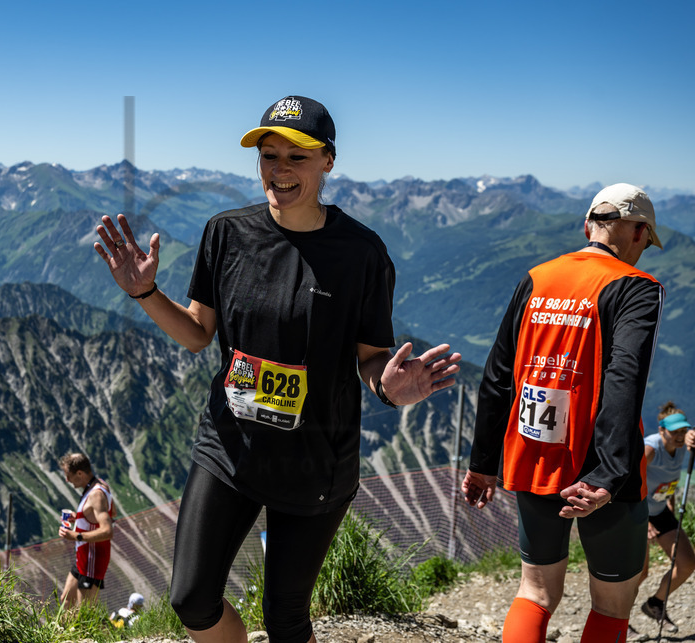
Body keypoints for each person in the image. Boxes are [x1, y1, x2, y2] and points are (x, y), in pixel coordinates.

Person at [93, 95, 461, 643]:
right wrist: (145, 291)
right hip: (230, 445)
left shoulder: (362, 253)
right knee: (191, 598)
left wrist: (388, 383)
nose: (280, 170)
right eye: (269, 155)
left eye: (298, 157)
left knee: (286, 619)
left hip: (315, 459)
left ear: (328, 162)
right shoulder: (226, 233)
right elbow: (198, 334)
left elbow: (370, 357)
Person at [461, 182, 665, 642]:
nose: (643, 252)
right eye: (645, 241)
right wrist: (609, 475)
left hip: (532, 456)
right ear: (636, 232)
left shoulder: (537, 277)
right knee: (613, 602)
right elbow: (623, 381)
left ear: (588, 225)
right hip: (599, 470)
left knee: (534, 592)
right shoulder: (637, 288)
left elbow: (497, 377)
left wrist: (482, 465)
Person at [631, 402, 695, 634]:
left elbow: (668, 480)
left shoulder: (682, 447)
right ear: (661, 430)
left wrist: (671, 503)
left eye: (682, 430)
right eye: (674, 431)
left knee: (687, 563)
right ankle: (617, 616)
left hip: (660, 509)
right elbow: (631, 484)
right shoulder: (651, 449)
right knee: (640, 572)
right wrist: (645, 521)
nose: (679, 436)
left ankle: (655, 603)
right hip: (638, 513)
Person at [57, 452, 115, 607]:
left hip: (92, 559)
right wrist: (80, 517)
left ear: (80, 473)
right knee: (67, 601)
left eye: (68, 475)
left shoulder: (96, 494)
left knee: (85, 611)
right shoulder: (101, 485)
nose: (67, 480)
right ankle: (65, 631)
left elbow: (108, 530)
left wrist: (77, 536)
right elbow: (112, 513)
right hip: (83, 557)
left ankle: (92, 631)